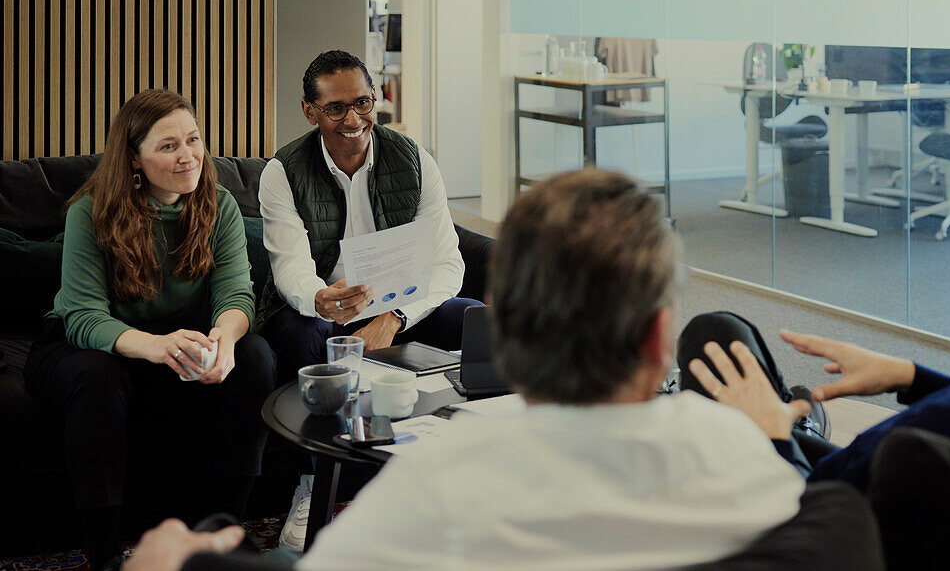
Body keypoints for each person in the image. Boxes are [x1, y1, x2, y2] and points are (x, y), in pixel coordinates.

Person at [124, 168, 809, 571]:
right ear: (662, 339)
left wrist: (184, 559)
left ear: (503, 331)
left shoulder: (442, 486)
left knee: (207, 530)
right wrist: (776, 436)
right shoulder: (749, 463)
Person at [684, 142, 950, 491]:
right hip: (852, 470)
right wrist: (911, 376)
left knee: (713, 337)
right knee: (724, 342)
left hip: (810, 495)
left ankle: (788, 428)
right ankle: (796, 427)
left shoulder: (932, 450)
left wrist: (771, 439)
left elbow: (815, 535)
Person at [23, 89, 276, 571]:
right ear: (134, 159)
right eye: (168, 146)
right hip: (91, 349)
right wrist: (158, 347)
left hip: (176, 349)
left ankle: (222, 534)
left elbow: (237, 296)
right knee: (97, 374)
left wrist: (224, 338)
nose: (188, 156)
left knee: (256, 356)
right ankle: (105, 553)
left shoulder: (217, 204)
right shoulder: (91, 211)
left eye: (193, 140)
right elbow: (82, 316)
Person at [258, 49, 479, 384]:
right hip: (325, 312)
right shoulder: (283, 172)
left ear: (375, 98)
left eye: (363, 103)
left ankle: (456, 423)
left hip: (401, 308)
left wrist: (393, 318)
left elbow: (448, 264)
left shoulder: (415, 161)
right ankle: (306, 432)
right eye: (335, 109)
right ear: (309, 111)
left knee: (473, 317)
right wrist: (320, 298)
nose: (353, 120)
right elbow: (290, 266)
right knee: (298, 330)